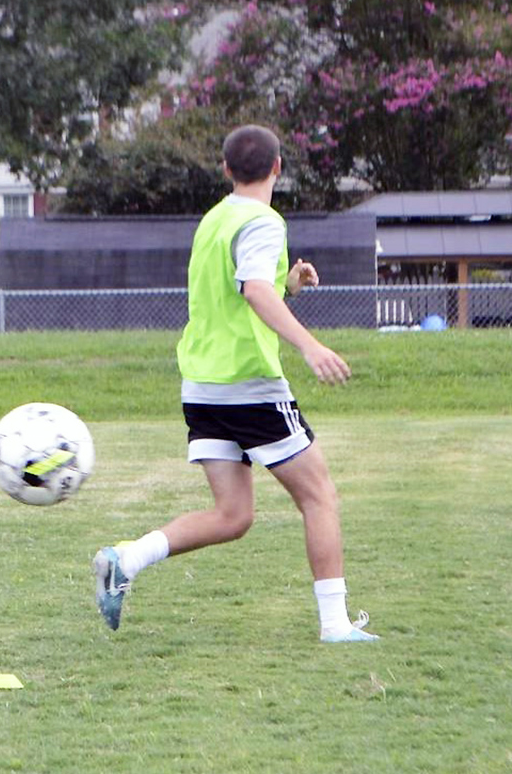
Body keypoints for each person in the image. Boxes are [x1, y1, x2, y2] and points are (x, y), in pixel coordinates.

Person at [90, 125, 379, 643]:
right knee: (320, 497)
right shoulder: (263, 220)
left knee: (233, 515)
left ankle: (125, 559)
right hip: (249, 386)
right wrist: (309, 345)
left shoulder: (215, 219)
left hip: (202, 387)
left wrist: (286, 285)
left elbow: (243, 292)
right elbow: (251, 292)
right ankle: (335, 626)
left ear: (225, 170)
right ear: (277, 168)